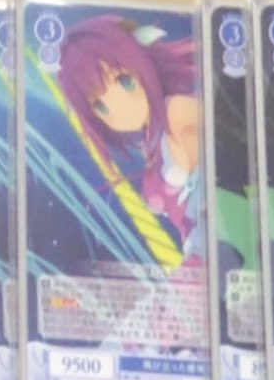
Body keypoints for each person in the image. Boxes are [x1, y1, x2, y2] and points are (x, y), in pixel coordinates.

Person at [58, 15, 201, 254]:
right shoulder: (152, 140)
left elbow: (227, 122)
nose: (121, 109)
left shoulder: (175, 111)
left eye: (125, 82)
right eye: (100, 106)